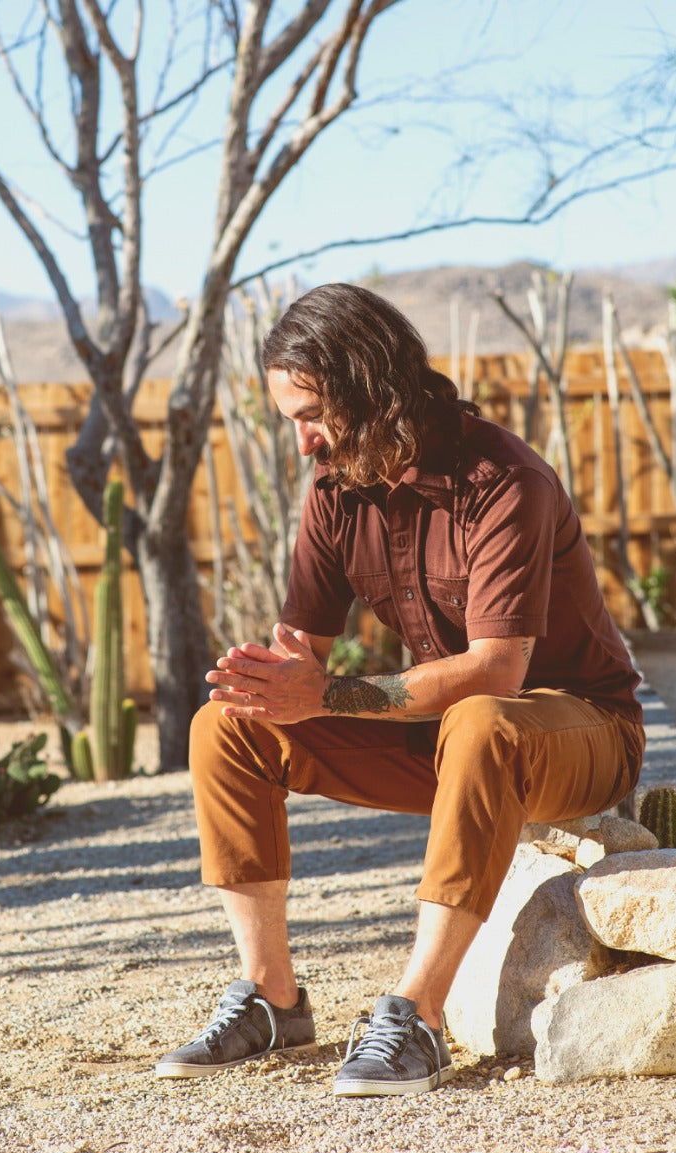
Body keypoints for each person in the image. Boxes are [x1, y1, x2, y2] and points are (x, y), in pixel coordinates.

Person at [156, 283, 644, 1098]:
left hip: (577, 735)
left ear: (370, 386)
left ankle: (418, 1012)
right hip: (447, 742)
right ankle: (273, 999)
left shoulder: (502, 481)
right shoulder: (336, 492)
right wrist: (269, 684)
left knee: (485, 719)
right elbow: (300, 654)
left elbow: (497, 672)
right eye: (292, 421)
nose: (305, 442)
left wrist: (326, 695)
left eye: (313, 414)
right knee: (225, 727)